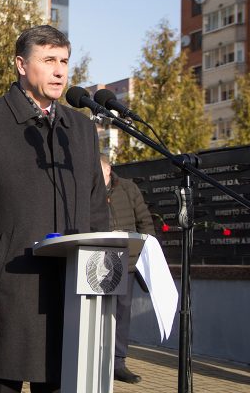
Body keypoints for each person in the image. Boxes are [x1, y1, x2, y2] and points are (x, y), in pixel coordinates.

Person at [0, 25, 109, 392]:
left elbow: (97, 211)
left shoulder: (81, 130)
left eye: (64, 61)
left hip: (70, 295)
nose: (59, 71)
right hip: (6, 292)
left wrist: (100, 286)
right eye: (49, 60)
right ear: (21, 65)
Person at [100, 154, 155, 384]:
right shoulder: (86, 189)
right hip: (97, 260)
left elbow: (145, 221)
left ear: (109, 168)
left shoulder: (129, 189)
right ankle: (94, 358)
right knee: (97, 312)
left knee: (121, 313)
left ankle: (118, 362)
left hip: (126, 260)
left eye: (99, 170)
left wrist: (146, 251)